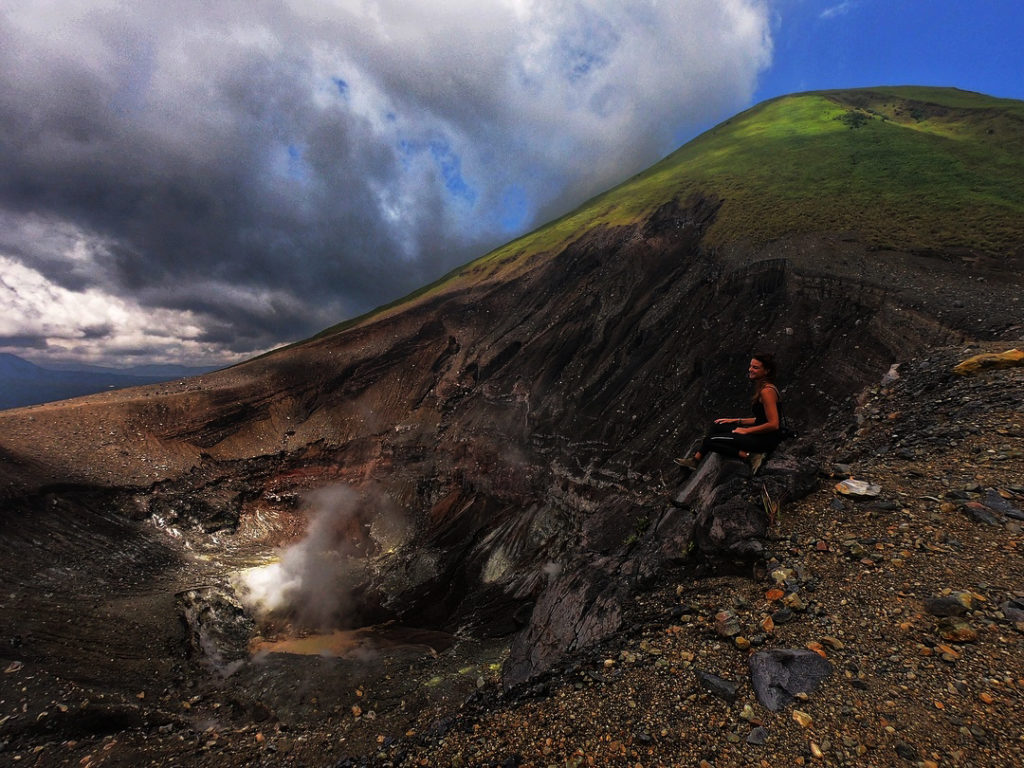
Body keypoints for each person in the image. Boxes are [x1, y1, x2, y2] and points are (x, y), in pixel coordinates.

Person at [675, 353, 783, 469]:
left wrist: (746, 431)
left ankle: (750, 456)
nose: (750, 369)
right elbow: (762, 419)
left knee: (710, 441)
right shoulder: (763, 388)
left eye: (755, 367)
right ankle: (695, 460)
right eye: (751, 366)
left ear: (766, 371)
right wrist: (735, 421)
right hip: (760, 435)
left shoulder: (767, 392)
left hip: (764, 441)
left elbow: (773, 424)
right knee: (718, 426)